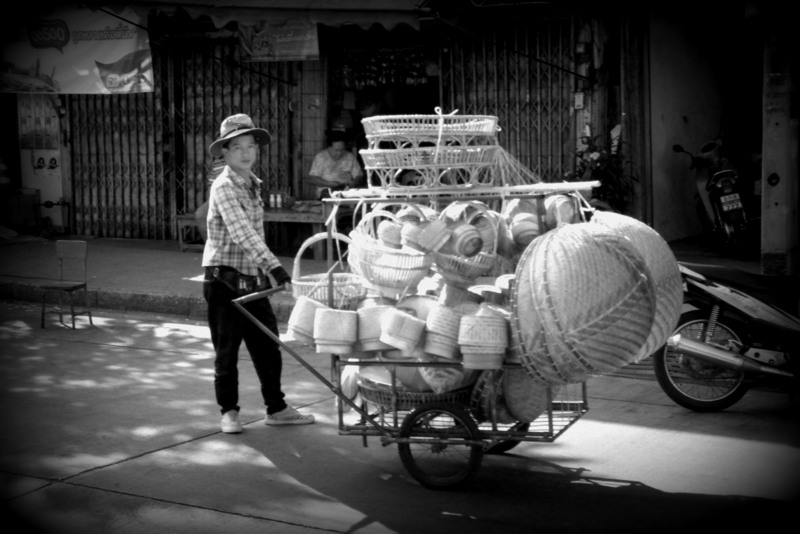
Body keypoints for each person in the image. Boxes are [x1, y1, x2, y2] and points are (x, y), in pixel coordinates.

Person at [202, 113, 314, 433]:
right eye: (237, 147)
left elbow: (254, 236)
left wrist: (265, 272)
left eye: (250, 146)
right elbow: (242, 234)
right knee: (227, 352)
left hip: (253, 279)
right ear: (224, 152)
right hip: (224, 280)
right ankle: (229, 412)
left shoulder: (253, 185)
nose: (246, 153)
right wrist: (275, 267)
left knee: (268, 346)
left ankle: (276, 408)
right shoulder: (224, 186)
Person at [307, 130, 364, 199]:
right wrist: (329, 184)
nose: (339, 153)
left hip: (346, 189)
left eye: (342, 150)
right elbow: (312, 179)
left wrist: (353, 183)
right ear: (329, 147)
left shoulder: (349, 156)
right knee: (333, 197)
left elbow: (359, 175)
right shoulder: (321, 157)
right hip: (327, 190)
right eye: (336, 150)